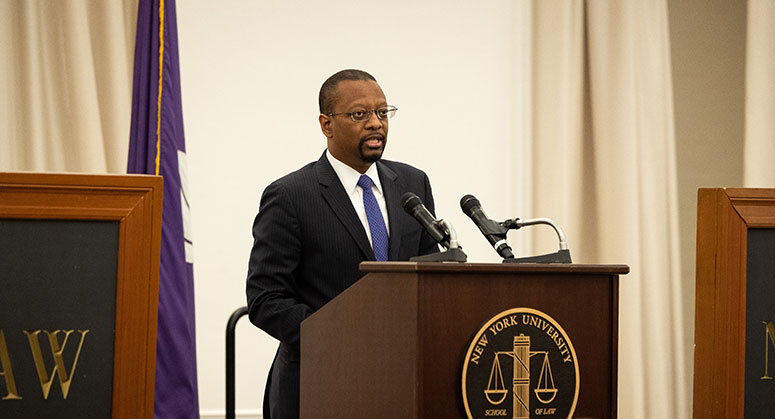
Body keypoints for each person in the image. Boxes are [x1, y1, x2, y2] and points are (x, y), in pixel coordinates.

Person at [245, 69, 440, 419]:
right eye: (359, 114)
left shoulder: (413, 184)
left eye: (382, 112)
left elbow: (431, 275)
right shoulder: (291, 196)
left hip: (400, 382)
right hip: (318, 383)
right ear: (326, 124)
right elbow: (266, 300)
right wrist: (345, 334)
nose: (375, 124)